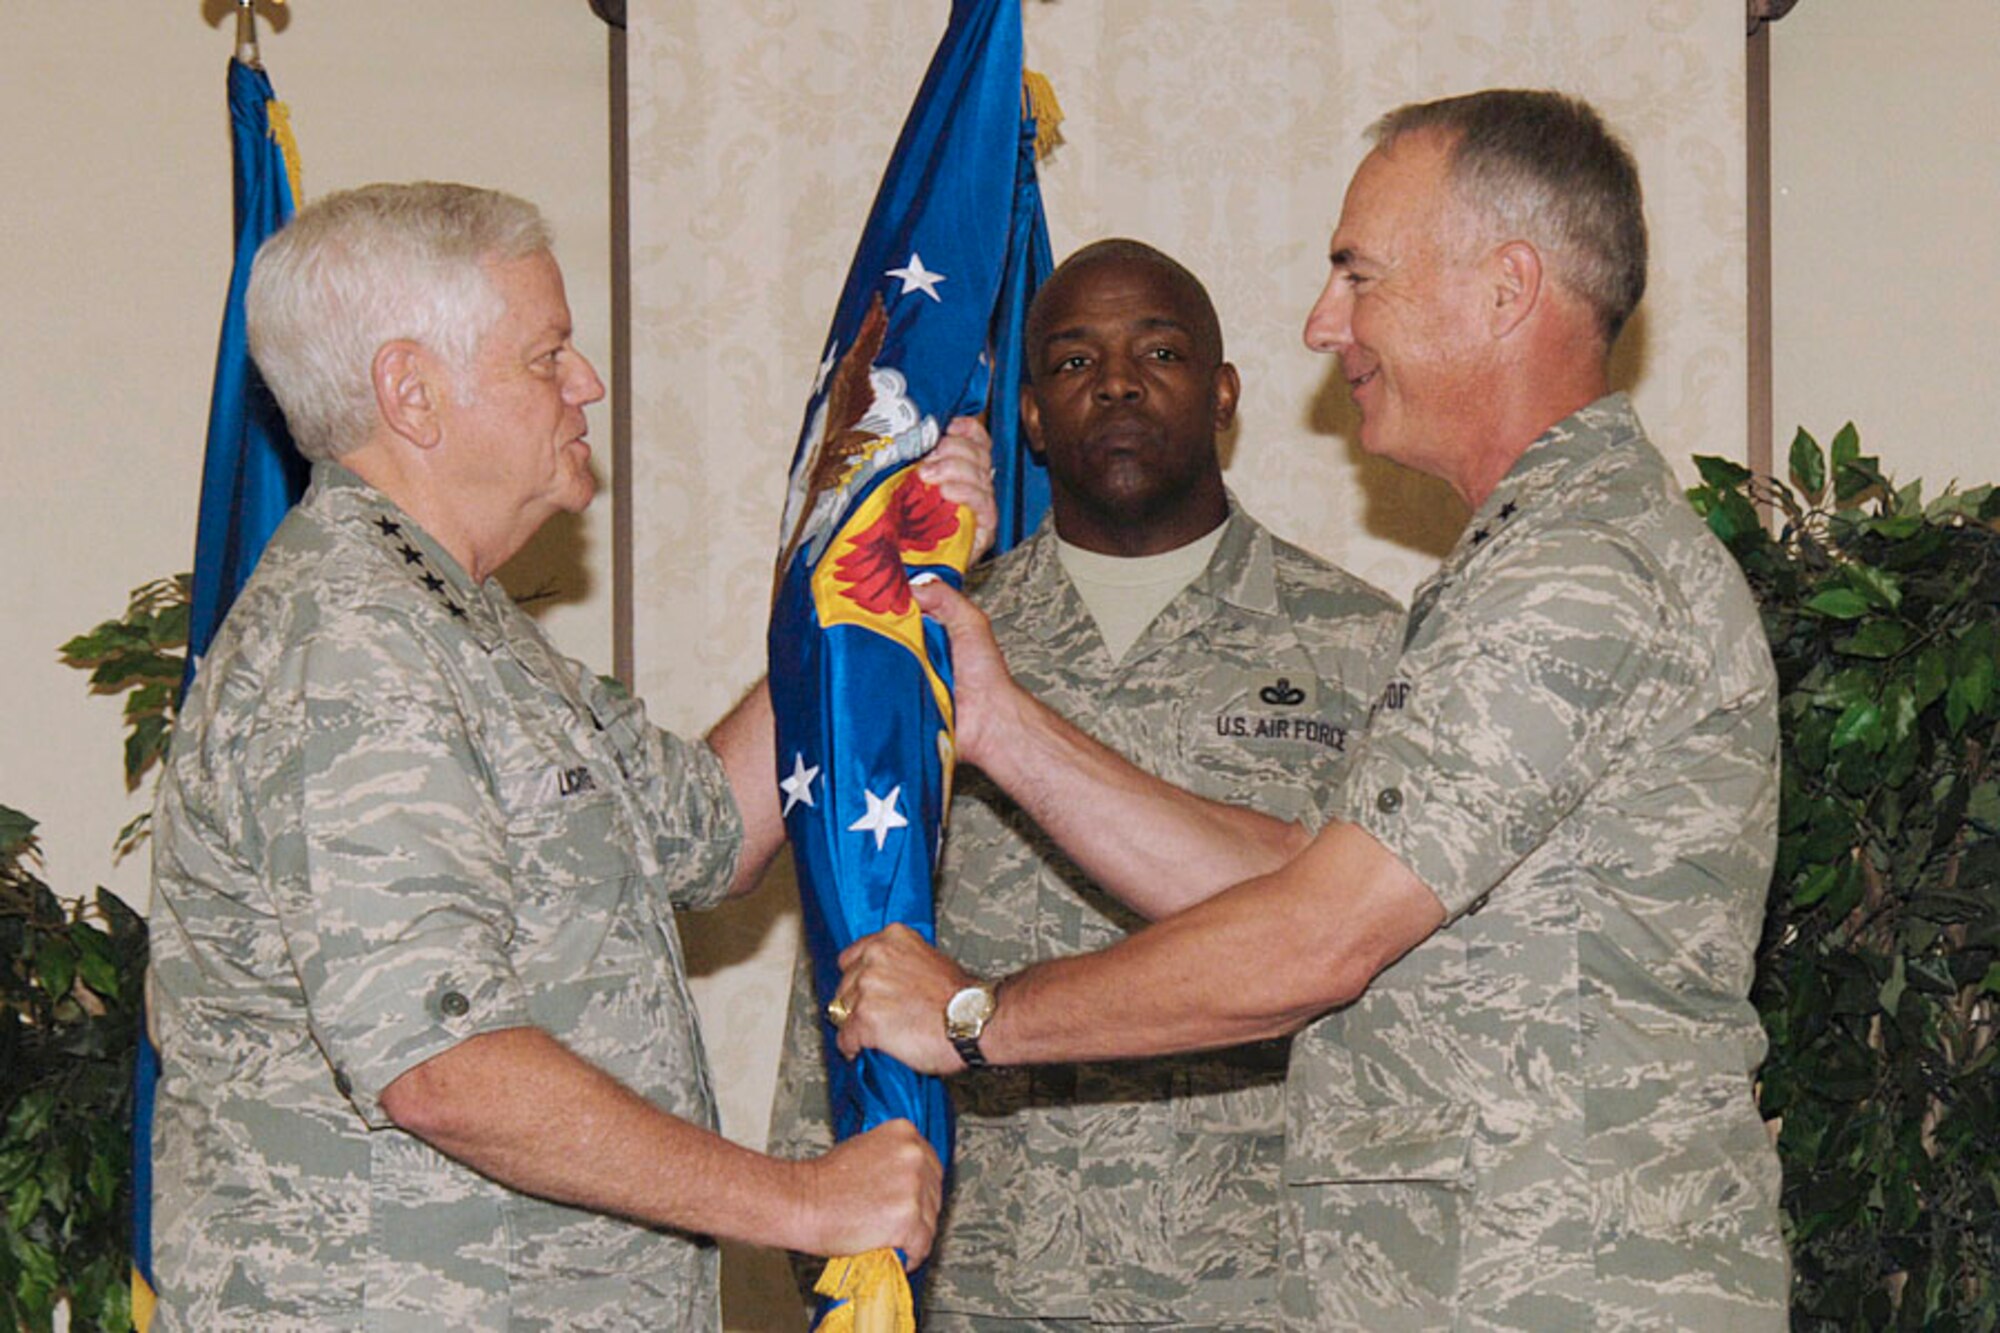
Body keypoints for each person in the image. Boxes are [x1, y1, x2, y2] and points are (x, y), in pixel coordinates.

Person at [833, 91, 1791, 1329]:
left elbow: (1314, 940)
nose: (1320, 323)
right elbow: (1301, 874)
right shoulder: (1529, 560)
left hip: (1563, 1282)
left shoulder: (1576, 575)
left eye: (1359, 275)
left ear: (1503, 291)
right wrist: (1002, 724)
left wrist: (975, 1018)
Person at [146, 181, 993, 1330]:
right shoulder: (350, 645)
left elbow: (713, 830)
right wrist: (797, 1201)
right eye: (547, 355)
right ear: (413, 392)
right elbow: (446, 1069)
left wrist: (877, 558)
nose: (585, 382)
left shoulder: (457, 622)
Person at [768, 238, 1404, 1330]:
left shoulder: (1365, 646)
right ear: (1024, 417)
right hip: (978, 1279)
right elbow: (853, 928)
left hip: (1271, 1286)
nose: (1114, 382)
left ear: (1222, 394)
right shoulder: (928, 645)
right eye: (1070, 363)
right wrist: (811, 1196)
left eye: (1157, 351)